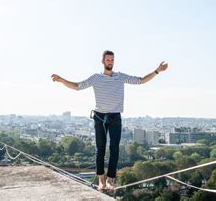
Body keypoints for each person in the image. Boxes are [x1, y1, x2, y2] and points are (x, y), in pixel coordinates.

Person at [51, 50, 168, 191]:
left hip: (115, 117)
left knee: (114, 149)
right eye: (107, 60)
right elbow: (77, 86)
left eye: (112, 60)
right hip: (99, 117)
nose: (110, 62)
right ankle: (101, 180)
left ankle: (111, 180)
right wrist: (61, 80)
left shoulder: (120, 77)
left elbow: (141, 80)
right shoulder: (96, 78)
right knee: (100, 149)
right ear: (103, 61)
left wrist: (157, 71)